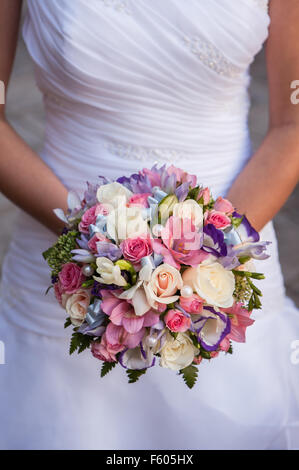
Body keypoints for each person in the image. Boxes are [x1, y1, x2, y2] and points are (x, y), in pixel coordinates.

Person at [0, 0, 298, 450]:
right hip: (65, 259)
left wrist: (211, 251)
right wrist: (95, 243)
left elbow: (292, 125)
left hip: (228, 257)